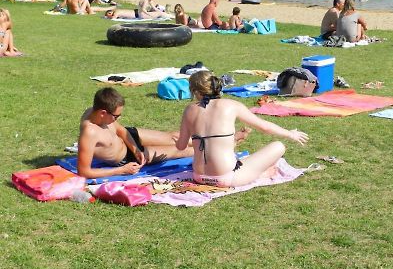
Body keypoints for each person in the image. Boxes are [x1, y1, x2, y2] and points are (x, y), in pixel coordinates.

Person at [174, 71, 308, 188]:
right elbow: (264, 127)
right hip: (227, 177)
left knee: (243, 159)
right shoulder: (231, 105)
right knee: (278, 146)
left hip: (199, 176)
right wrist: (290, 134)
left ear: (194, 91)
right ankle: (261, 174)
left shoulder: (189, 110)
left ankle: (256, 172)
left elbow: (181, 146)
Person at [77, 88, 195, 178]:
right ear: (102, 113)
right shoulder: (90, 133)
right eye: (116, 116)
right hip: (126, 158)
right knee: (179, 149)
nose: (118, 118)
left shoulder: (97, 113)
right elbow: (83, 171)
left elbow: (121, 130)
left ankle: (208, 138)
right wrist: (122, 170)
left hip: (129, 138)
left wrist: (136, 149)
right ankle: (210, 149)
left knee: (173, 136)